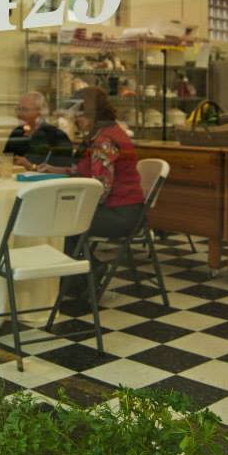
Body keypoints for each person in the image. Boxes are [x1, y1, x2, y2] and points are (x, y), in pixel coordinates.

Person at [41, 86, 145, 297]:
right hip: (126, 209)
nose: (76, 120)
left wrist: (73, 202)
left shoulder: (105, 141)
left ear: (89, 115)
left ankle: (86, 272)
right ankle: (79, 275)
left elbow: (101, 189)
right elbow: (91, 172)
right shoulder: (108, 132)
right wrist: (59, 171)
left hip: (121, 215)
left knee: (63, 222)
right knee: (64, 218)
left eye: (78, 115)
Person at [4, 91, 72, 169]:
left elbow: (64, 171)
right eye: (18, 109)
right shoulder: (17, 132)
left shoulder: (57, 136)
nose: (19, 114)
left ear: (40, 111)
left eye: (24, 109)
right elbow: (7, 158)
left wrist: (31, 166)